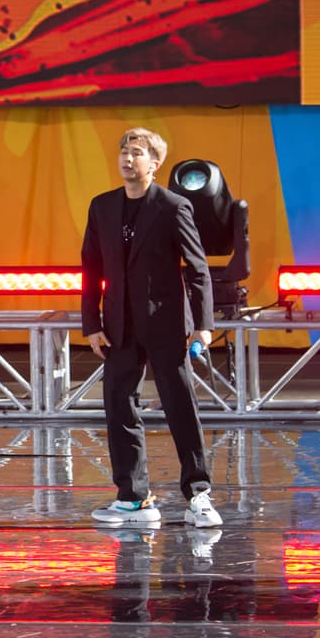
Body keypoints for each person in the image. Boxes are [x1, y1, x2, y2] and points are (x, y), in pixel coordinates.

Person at [81, 127, 222, 529]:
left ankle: (198, 494)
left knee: (180, 406)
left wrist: (204, 326)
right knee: (119, 408)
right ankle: (133, 498)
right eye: (124, 151)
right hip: (118, 326)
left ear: (154, 164)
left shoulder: (173, 206)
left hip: (166, 323)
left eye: (137, 152)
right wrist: (92, 323)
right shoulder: (102, 206)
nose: (128, 158)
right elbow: (90, 270)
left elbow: (197, 270)